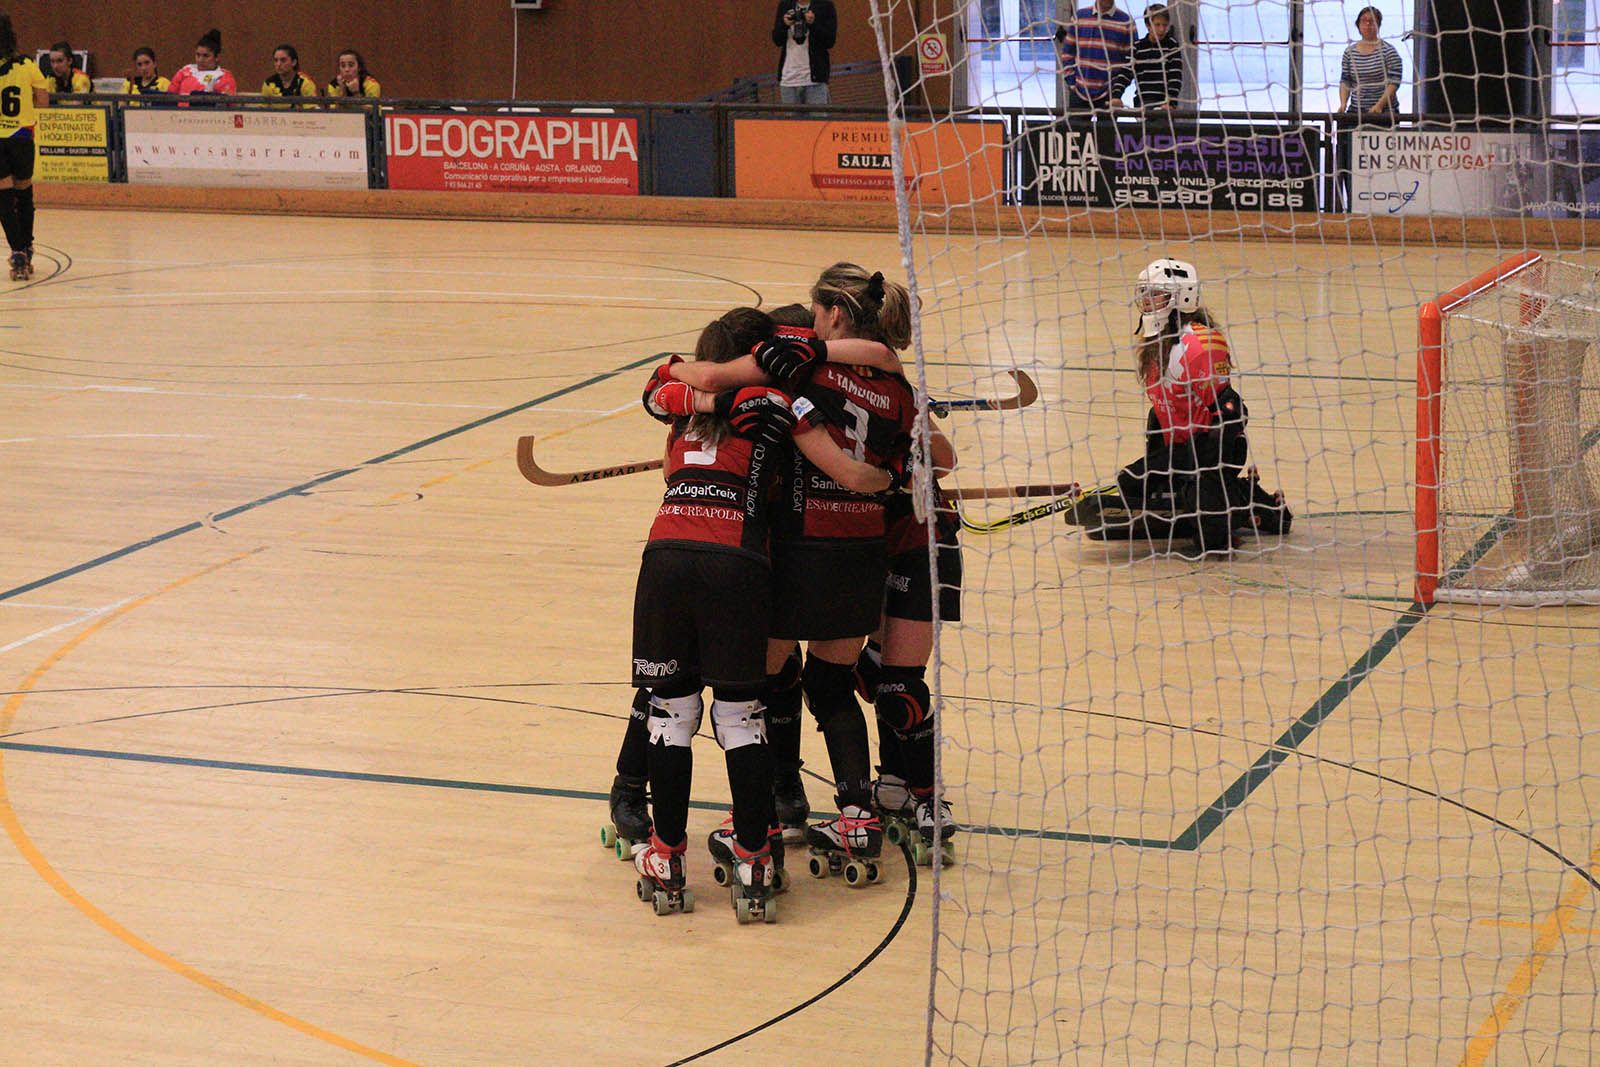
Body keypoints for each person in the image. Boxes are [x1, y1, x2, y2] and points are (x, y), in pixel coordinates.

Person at [628, 308, 898, 921]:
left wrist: (700, 393)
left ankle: (667, 856)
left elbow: (657, 387)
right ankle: (754, 855)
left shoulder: (673, 395)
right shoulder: (781, 402)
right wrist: (891, 482)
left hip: (667, 556)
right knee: (741, 713)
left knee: (671, 712)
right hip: (740, 562)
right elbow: (849, 473)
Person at [671, 266, 919, 886]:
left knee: (763, 683)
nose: (806, 317)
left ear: (834, 314)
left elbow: (715, 374)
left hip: (800, 546)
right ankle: (859, 815)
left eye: (815, 308)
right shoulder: (896, 381)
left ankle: (766, 812)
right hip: (863, 554)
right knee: (833, 688)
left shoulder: (796, 367)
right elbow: (915, 443)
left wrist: (670, 380)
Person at [1106, 258, 1291, 557]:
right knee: (1129, 483)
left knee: (1211, 545)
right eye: (1144, 292)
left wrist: (1202, 467)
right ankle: (1189, 504)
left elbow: (1230, 413)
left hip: (1212, 450)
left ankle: (1246, 501)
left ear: (1182, 296)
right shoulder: (1156, 343)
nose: (1145, 300)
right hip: (1178, 448)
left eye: (1155, 293)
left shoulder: (1200, 343)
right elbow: (1163, 409)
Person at [0, 15, 48, 282]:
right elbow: (42, 101)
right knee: (24, 194)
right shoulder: (27, 65)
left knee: (4, 199)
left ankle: (17, 252)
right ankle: (27, 247)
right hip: (21, 136)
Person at [1054, 0, 1135, 112]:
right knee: (1076, 129)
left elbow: (1130, 61)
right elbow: (1067, 53)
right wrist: (1072, 82)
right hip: (1079, 92)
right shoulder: (1079, 17)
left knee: (1107, 130)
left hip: (1110, 94)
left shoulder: (1126, 22)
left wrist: (1117, 90)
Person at [1338, 7, 1402, 120]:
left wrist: (1379, 106)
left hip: (1385, 113)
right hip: (1356, 111)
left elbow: (1394, 83)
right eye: (1364, 20)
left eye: (1372, 21)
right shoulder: (1349, 52)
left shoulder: (1389, 51)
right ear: (1358, 25)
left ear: (1378, 25)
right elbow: (1345, 81)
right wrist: (1343, 104)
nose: (1368, 24)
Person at [772, 0, 838, 106]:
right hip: (788, 79)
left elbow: (830, 41)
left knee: (818, 122)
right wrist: (784, 24)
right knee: (791, 122)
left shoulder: (825, 5)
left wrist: (813, 24)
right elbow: (777, 40)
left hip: (815, 80)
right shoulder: (785, 5)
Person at [1129, 4, 1183, 110]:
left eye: (1165, 25)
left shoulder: (1172, 46)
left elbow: (1175, 77)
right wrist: (1117, 95)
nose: (1161, 29)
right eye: (1157, 25)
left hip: (1165, 102)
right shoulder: (1138, 47)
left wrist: (1170, 101)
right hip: (1143, 101)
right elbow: (1125, 73)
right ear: (1148, 26)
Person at [169, 29, 236, 96]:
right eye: (198, 55)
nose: (200, 60)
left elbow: (226, 103)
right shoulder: (186, 70)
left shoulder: (223, 76)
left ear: (217, 57)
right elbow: (170, 95)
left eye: (205, 56)